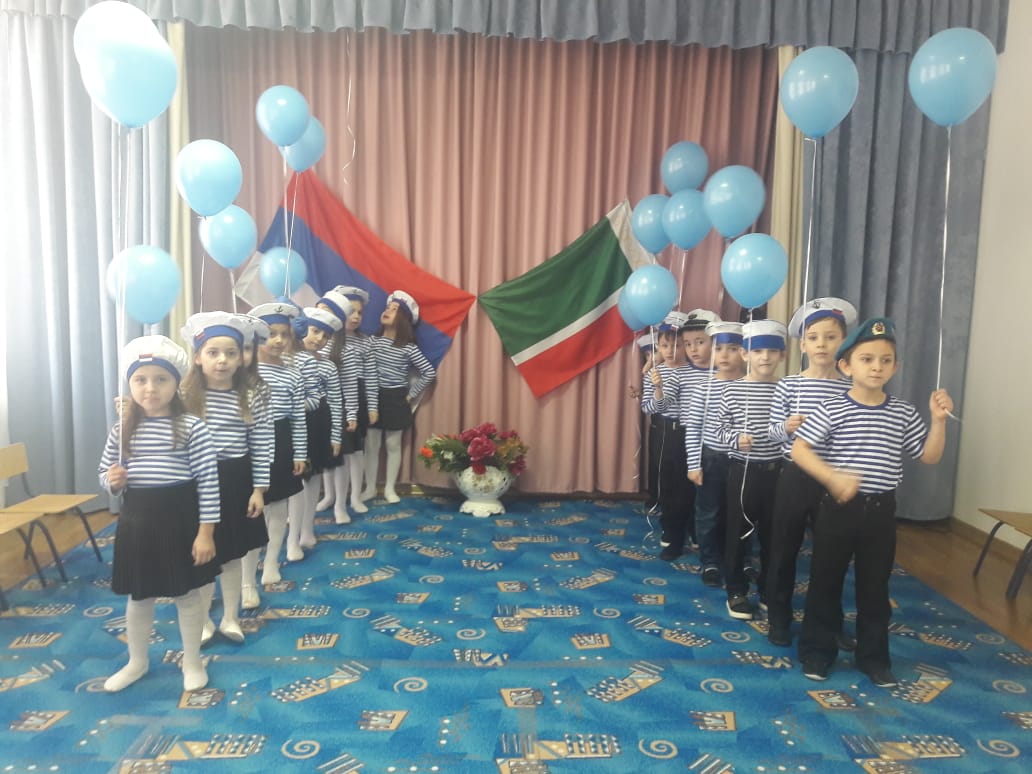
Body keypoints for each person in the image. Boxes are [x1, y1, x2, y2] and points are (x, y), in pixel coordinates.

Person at [792, 317, 953, 687]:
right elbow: (800, 450)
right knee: (825, 581)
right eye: (867, 359)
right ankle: (817, 651)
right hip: (837, 510)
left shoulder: (903, 412)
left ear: (895, 367)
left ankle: (874, 658)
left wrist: (938, 421)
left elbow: (929, 456)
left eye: (885, 360)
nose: (877, 367)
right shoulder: (832, 408)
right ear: (846, 366)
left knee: (875, 587)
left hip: (880, 514)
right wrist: (832, 477)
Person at [98, 335, 220, 692]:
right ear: (130, 384)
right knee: (140, 596)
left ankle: (192, 661)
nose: (150, 388)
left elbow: (208, 483)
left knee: (187, 595)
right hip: (138, 523)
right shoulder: (122, 429)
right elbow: (105, 472)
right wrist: (112, 481)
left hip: (180, 521)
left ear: (175, 383)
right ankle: (136, 662)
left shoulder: (192, 427)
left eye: (160, 379)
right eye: (140, 379)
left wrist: (206, 533)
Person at [765, 298, 857, 647]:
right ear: (802, 345)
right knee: (783, 547)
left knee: (832, 553)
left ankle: (829, 621)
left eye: (830, 337)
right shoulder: (789, 385)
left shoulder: (849, 387)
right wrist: (786, 427)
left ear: (843, 343)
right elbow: (771, 432)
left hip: (832, 477)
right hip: (794, 476)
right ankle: (779, 617)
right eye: (814, 338)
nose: (822, 345)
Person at [180, 312, 272, 645]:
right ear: (198, 357)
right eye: (213, 352)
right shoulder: (184, 396)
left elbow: (262, 444)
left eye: (231, 353)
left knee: (233, 554)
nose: (222, 360)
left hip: (236, 479)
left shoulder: (252, 394)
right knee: (202, 555)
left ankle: (230, 617)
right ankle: (204, 618)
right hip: (196, 481)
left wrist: (259, 489)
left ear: (241, 358)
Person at [717, 319, 787, 619]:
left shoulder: (787, 389)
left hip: (777, 473)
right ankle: (736, 590)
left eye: (772, 351)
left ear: (782, 355)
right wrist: (735, 439)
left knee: (774, 535)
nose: (765, 357)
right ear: (745, 354)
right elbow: (719, 431)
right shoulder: (732, 391)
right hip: (742, 471)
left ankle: (769, 590)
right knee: (738, 532)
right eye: (758, 351)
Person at [249, 301, 306, 587]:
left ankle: (271, 560)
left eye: (284, 334)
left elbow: (298, 418)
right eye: (271, 334)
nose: (278, 340)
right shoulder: (245, 372)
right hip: (250, 442)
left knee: (279, 506)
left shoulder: (293, 374)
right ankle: (247, 574)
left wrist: (300, 453)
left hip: (282, 440)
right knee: (252, 508)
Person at [684, 320, 744, 587]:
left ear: (744, 352)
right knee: (708, 512)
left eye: (733, 348)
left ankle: (740, 558)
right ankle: (710, 561)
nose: (724, 355)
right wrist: (693, 464)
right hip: (712, 459)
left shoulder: (751, 385)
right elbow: (694, 428)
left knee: (740, 512)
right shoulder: (703, 388)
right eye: (719, 349)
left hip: (743, 462)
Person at [361, 290, 436, 504]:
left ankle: (390, 488)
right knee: (372, 445)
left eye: (394, 310)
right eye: (387, 307)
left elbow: (429, 372)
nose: (387, 311)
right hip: (372, 398)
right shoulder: (371, 342)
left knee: (393, 445)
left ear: (403, 319)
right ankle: (370, 487)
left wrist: (411, 395)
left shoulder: (409, 348)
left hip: (396, 399)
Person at [286, 305, 346, 560]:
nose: (319, 338)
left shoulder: (328, 367)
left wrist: (336, 436)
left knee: (311, 480)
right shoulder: (285, 359)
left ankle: (307, 530)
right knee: (292, 482)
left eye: (325, 336)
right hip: (286, 427)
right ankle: (289, 533)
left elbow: (335, 403)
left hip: (316, 425)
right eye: (315, 331)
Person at [315, 287, 370, 523]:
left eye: (328, 312)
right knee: (326, 458)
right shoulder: (308, 346)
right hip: (318, 411)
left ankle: (341, 504)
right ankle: (328, 496)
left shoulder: (345, 349)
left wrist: (351, 414)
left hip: (340, 410)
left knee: (342, 459)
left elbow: (349, 386)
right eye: (319, 310)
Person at [640, 312, 691, 560]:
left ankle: (692, 530)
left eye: (677, 345)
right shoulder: (655, 372)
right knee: (668, 485)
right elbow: (648, 407)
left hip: (691, 434)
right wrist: (657, 387)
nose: (671, 351)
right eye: (665, 345)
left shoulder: (696, 371)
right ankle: (671, 533)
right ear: (658, 347)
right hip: (665, 433)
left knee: (690, 486)